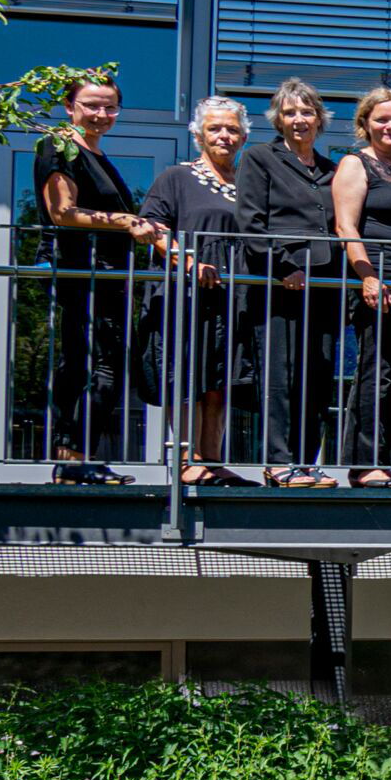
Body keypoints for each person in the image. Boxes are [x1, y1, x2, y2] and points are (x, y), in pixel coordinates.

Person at [33, 72, 167, 481]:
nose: (101, 113)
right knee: (92, 364)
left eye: (110, 106)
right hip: (83, 272)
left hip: (107, 277)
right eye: (91, 105)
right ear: (70, 106)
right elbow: (62, 212)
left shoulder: (94, 154)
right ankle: (73, 460)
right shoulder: (58, 146)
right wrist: (126, 220)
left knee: (106, 364)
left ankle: (81, 458)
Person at [137, 95, 254, 487]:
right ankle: (186, 459)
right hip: (185, 291)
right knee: (186, 373)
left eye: (232, 129)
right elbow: (152, 227)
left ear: (243, 136)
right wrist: (187, 261)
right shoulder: (177, 177)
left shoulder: (247, 185)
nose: (224, 136)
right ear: (199, 135)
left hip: (231, 293)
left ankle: (213, 460)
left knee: (219, 378)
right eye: (215, 128)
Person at [237, 79, 343, 488]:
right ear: (278, 120)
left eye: (306, 111)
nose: (299, 120)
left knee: (318, 372)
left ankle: (306, 462)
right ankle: (279, 461)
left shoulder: (331, 167)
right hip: (280, 282)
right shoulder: (260, 158)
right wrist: (283, 267)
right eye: (289, 112)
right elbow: (250, 222)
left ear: (319, 118)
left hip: (327, 281)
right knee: (280, 373)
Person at [330, 89, 391, 488]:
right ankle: (363, 463)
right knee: (375, 370)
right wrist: (366, 274)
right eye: (382, 119)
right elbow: (345, 226)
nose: (390, 127)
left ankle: (384, 459)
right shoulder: (355, 164)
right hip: (376, 277)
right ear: (365, 122)